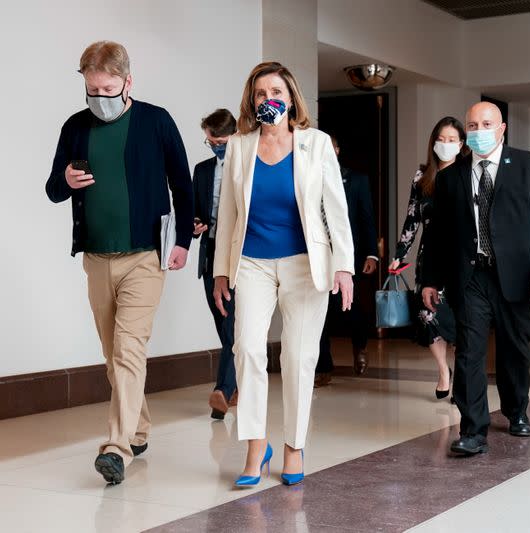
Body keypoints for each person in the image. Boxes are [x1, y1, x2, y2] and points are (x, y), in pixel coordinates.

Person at [45, 41, 193, 484]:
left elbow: (182, 186)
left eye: (107, 89)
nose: (99, 98)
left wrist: (182, 239)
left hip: (145, 257)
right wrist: (66, 180)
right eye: (91, 89)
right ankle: (140, 427)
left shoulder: (156, 121)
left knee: (129, 349)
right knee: (113, 357)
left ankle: (116, 448)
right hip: (96, 257)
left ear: (128, 81)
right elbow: (53, 188)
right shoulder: (75, 127)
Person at [213, 62, 354, 488]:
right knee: (248, 349)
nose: (267, 98)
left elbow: (336, 209)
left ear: (291, 98)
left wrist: (344, 266)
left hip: (304, 264)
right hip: (252, 262)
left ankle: (294, 446)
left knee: (297, 355)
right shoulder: (239, 146)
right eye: (259, 93)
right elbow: (229, 216)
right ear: (251, 102)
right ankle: (256, 445)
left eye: (275, 90)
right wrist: (221, 272)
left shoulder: (316, 144)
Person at [421, 102, 530, 456]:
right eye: (473, 124)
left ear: (502, 129)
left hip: (517, 276)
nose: (479, 129)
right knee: (469, 350)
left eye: (487, 123)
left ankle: (516, 412)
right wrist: (429, 279)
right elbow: (438, 234)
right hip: (471, 277)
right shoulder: (450, 177)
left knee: (515, 350)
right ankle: (472, 429)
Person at [389, 117, 466, 399]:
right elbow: (412, 218)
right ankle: (443, 371)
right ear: (433, 143)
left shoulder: (466, 174)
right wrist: (400, 254)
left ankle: (463, 377)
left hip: (460, 259)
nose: (445, 145)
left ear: (461, 145)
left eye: (451, 140)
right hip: (429, 259)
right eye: (441, 140)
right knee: (428, 314)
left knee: (460, 320)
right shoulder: (423, 177)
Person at [315, 134, 379, 387]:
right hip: (318, 257)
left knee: (353, 309)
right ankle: (323, 367)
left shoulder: (356, 181)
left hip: (350, 256)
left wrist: (371, 253)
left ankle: (359, 347)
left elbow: (366, 219)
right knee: (320, 312)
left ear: (338, 150)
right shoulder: (308, 179)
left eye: (330, 148)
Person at [192, 108, 239, 419]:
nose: (216, 147)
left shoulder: (249, 166)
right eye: (211, 142)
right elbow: (194, 210)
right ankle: (237, 384)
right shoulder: (203, 170)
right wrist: (195, 225)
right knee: (224, 323)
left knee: (234, 321)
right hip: (210, 253)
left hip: (240, 257)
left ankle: (223, 390)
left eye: (221, 142)